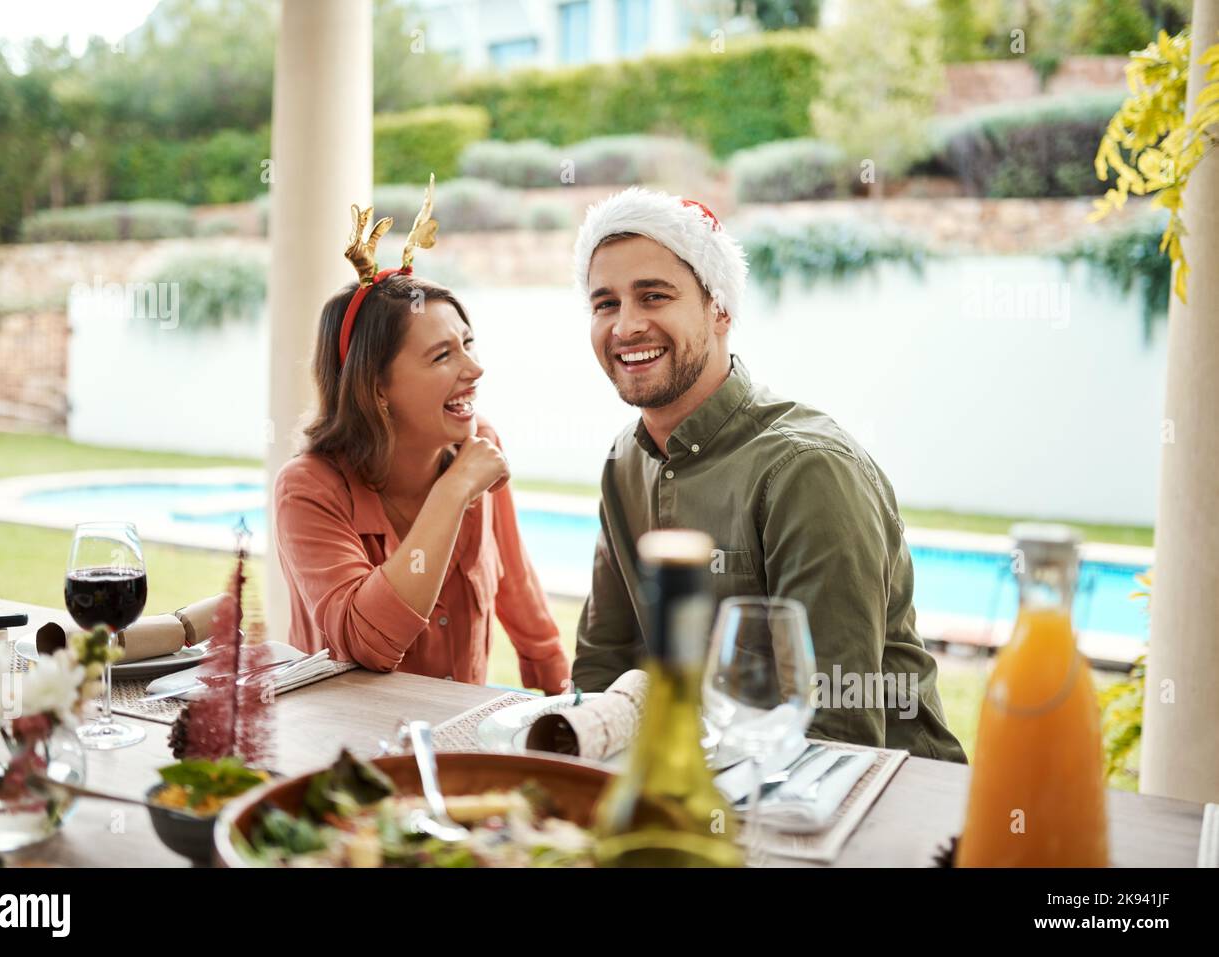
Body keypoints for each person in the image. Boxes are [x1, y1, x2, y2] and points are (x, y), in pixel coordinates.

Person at [570, 187, 965, 762]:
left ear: (720, 309)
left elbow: (837, 729)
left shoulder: (808, 470)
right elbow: (604, 664)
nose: (626, 327)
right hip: (708, 785)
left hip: (879, 804)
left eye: (654, 296)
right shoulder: (624, 462)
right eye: (605, 303)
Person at [273, 179, 569, 694]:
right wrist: (454, 493)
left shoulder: (479, 447)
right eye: (442, 356)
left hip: (458, 748)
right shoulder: (308, 489)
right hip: (346, 757)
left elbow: (518, 595)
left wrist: (566, 710)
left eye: (468, 344)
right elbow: (368, 641)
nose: (475, 370)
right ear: (377, 386)